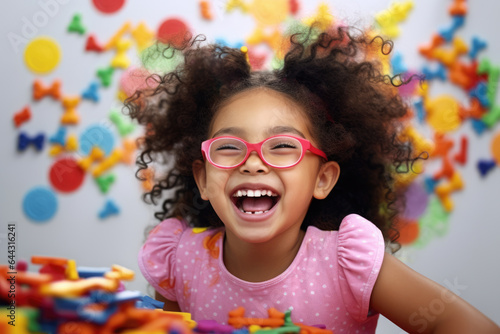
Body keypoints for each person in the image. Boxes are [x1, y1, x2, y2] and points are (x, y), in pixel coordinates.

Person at [127, 26, 500, 333]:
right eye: (229, 147)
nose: (253, 163)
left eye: (283, 145)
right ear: (203, 179)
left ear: (323, 178)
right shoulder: (181, 262)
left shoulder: (345, 264)